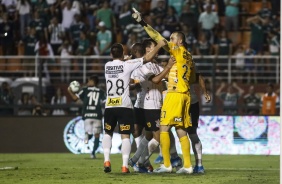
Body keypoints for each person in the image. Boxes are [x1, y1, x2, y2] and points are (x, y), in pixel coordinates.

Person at [132, 9, 196, 174]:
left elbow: (157, 37)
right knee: (181, 129)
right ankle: (188, 166)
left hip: (174, 95)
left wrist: (142, 22)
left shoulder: (177, 50)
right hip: (185, 95)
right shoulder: (189, 56)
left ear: (180, 41)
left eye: (173, 38)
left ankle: (167, 164)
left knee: (164, 129)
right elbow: (193, 78)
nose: (170, 41)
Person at [102, 41, 166, 173]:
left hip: (109, 105)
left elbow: (118, 63)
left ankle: (107, 160)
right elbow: (146, 58)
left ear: (110, 54)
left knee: (107, 133)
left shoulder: (107, 66)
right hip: (124, 106)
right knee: (125, 136)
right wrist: (159, 46)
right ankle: (125, 166)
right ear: (123, 53)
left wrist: (125, 58)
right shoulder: (128, 65)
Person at [128, 39, 180, 173]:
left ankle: (136, 160)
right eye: (153, 48)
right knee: (158, 136)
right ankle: (140, 162)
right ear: (147, 50)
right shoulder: (144, 66)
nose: (157, 51)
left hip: (156, 104)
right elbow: (156, 79)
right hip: (150, 105)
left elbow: (167, 75)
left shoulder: (155, 66)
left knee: (150, 135)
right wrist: (168, 67)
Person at [67, 75, 106, 159]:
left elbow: (74, 98)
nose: (88, 82)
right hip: (97, 115)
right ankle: (92, 153)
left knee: (89, 134)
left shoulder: (85, 90)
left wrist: (70, 91)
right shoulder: (101, 91)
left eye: (89, 81)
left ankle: (87, 137)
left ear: (93, 82)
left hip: (87, 115)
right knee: (97, 135)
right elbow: (106, 102)